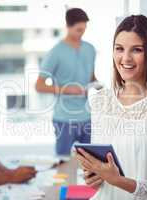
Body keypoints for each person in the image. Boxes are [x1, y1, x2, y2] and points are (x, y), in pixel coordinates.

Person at [76, 15, 147, 200]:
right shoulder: (100, 101)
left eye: (136, 50)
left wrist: (118, 180)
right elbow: (101, 173)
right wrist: (94, 176)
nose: (125, 58)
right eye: (119, 49)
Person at [36, 8, 97, 155]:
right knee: (62, 162)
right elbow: (39, 85)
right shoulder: (56, 52)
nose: (81, 33)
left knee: (90, 162)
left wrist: (98, 86)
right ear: (68, 27)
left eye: (84, 29)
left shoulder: (90, 49)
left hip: (86, 117)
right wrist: (66, 89)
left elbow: (91, 77)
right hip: (64, 119)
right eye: (78, 30)